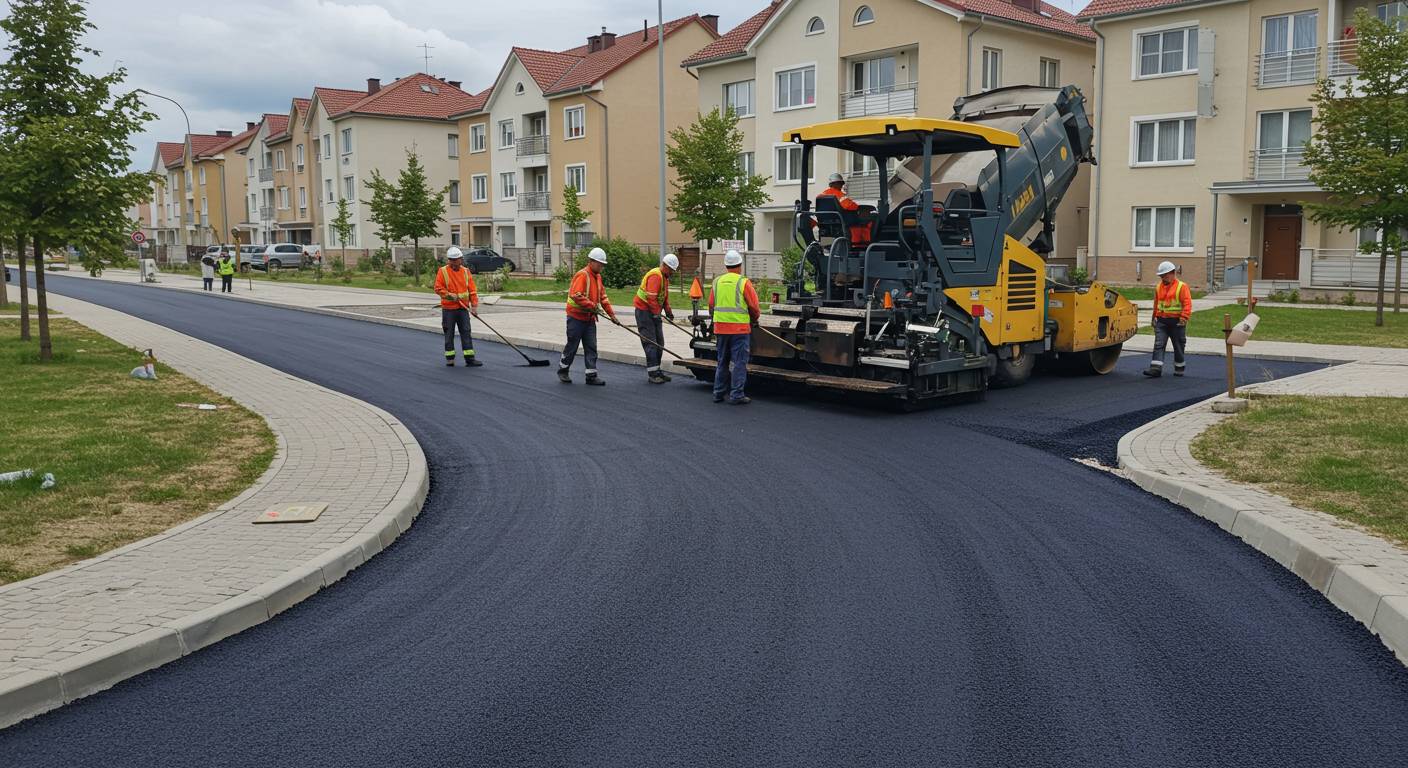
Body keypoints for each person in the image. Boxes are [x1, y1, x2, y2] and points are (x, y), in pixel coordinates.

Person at [559, 246, 619, 385]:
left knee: (591, 346)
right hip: (576, 318)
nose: (601, 267)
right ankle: (563, 370)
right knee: (572, 346)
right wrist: (593, 306)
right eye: (600, 264)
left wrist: (612, 315)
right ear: (591, 261)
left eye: (603, 265)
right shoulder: (582, 275)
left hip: (589, 319)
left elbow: (603, 298)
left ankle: (591, 376)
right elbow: (576, 296)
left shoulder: (598, 277)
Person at [709, 249, 761, 405]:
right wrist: (754, 319)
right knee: (739, 362)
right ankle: (736, 394)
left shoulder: (717, 282)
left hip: (721, 329)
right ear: (740, 265)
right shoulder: (743, 282)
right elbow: (754, 306)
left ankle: (718, 393)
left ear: (726, 265)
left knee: (722, 361)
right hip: (739, 330)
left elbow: (711, 305)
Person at [634, 253, 678, 384]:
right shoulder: (655, 276)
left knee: (660, 343)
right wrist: (656, 313)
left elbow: (663, 297)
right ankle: (653, 374)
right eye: (671, 270)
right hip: (644, 312)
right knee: (651, 343)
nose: (672, 273)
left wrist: (668, 312)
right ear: (665, 266)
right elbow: (651, 298)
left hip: (653, 312)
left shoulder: (664, 278)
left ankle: (657, 370)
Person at [434, 247, 481, 367]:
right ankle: (450, 358)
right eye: (452, 260)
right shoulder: (443, 271)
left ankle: (469, 358)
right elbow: (438, 288)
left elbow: (472, 290)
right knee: (449, 333)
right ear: (449, 260)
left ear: (461, 259)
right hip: (449, 309)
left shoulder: (466, 272)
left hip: (463, 309)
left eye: (456, 260)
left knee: (466, 332)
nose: (454, 262)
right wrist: (449, 295)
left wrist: (474, 306)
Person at [1145, 260, 1192, 378]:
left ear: (1172, 273)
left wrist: (1184, 317)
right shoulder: (1158, 287)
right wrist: (1153, 318)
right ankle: (1155, 369)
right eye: (1161, 276)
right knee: (1159, 344)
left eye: (1164, 275)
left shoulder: (1182, 287)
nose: (1162, 278)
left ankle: (1179, 368)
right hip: (1162, 321)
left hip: (1177, 323)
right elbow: (1156, 304)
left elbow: (1187, 303)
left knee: (1178, 345)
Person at [816, 172, 872, 246]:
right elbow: (850, 206)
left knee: (829, 245)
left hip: (826, 224)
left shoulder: (820, 196)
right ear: (836, 184)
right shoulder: (838, 194)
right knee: (867, 220)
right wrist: (860, 209)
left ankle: (828, 246)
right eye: (840, 184)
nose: (841, 186)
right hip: (841, 222)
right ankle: (865, 244)